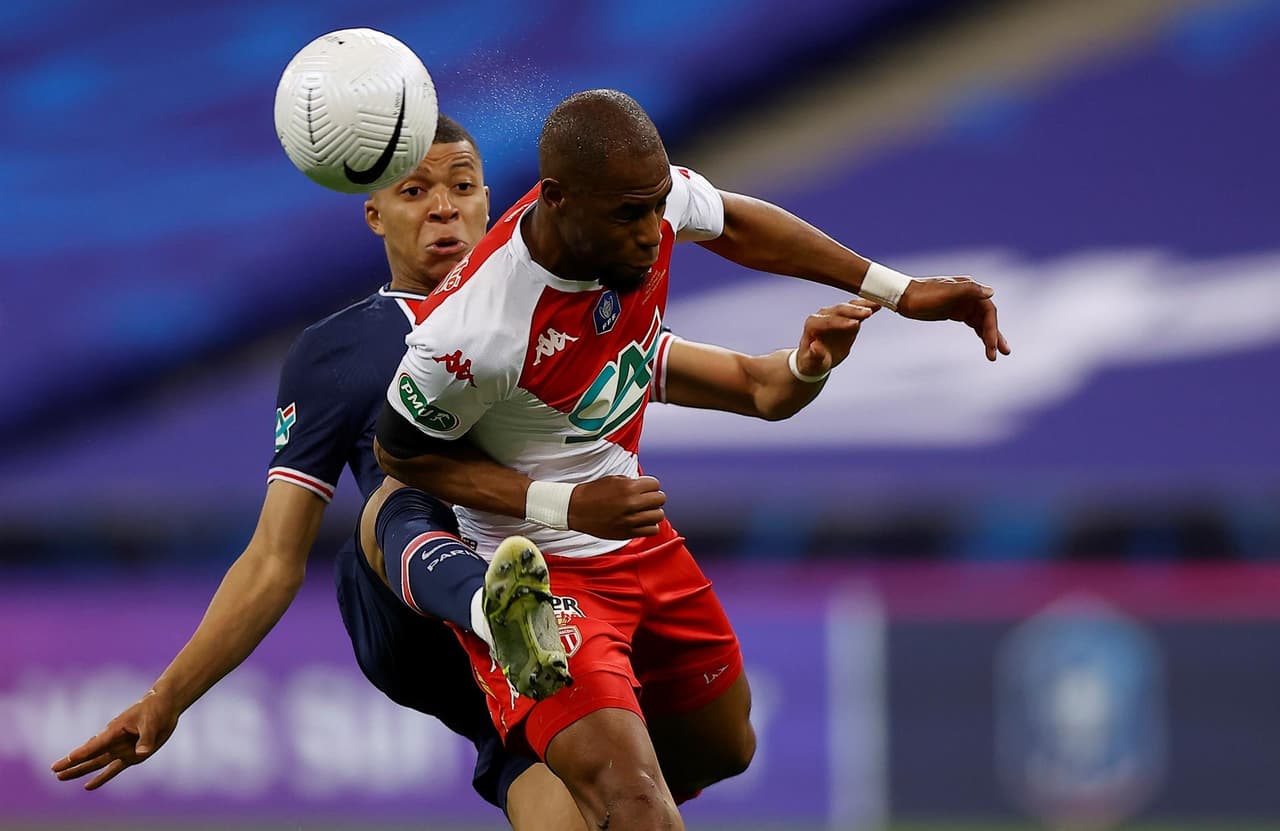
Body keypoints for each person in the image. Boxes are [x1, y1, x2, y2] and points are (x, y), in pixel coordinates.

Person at [48, 112, 880, 828]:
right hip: (417, 602)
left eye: (464, 186)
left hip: (562, 603)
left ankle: (525, 637)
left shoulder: (561, 311)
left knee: (649, 791)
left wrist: (806, 362)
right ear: (373, 212)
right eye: (416, 192)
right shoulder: (340, 352)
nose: (444, 208)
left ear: (495, 200)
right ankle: (495, 608)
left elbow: (753, 384)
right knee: (398, 493)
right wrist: (169, 699)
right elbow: (273, 558)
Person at [374, 89, 1010, 831]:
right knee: (639, 803)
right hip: (544, 576)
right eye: (630, 216)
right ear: (557, 201)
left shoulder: (635, 207)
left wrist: (895, 292)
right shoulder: (474, 333)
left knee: (724, 744)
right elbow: (400, 451)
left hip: (638, 542)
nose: (653, 234)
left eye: (657, 207)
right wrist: (565, 507)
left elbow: (734, 226)